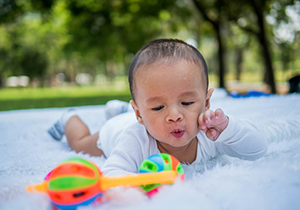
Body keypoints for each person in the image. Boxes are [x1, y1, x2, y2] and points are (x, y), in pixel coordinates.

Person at [48, 38, 268, 176]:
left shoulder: (210, 133)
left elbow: (258, 151)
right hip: (116, 130)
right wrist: (146, 182)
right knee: (79, 144)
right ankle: (69, 118)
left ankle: (125, 109)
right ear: (139, 113)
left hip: (141, 119)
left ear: (207, 102)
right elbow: (112, 173)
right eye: (157, 107)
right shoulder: (135, 140)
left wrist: (229, 129)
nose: (174, 116)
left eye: (187, 103)